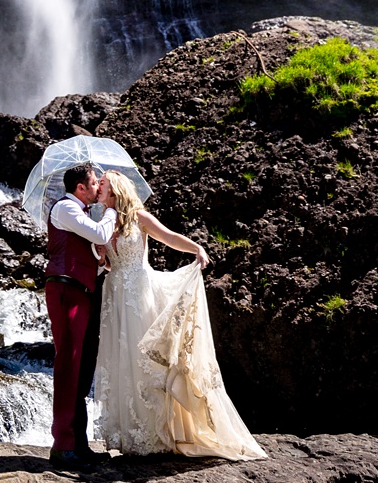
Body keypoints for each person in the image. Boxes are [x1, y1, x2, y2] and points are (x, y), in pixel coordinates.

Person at [93, 170, 266, 460]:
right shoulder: (103, 222)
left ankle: (158, 432)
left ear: (116, 189)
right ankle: (131, 433)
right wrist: (101, 255)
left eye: (103, 184)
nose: (98, 187)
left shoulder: (138, 216)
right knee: (121, 361)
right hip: (116, 293)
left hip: (138, 291)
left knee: (145, 360)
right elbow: (108, 265)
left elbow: (169, 237)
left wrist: (196, 248)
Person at [44, 163, 117, 467]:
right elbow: (100, 232)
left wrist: (100, 258)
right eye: (94, 183)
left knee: (83, 367)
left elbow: (93, 254)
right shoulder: (65, 209)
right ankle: (63, 445)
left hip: (82, 291)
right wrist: (111, 208)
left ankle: (79, 443)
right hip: (65, 290)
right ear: (81, 188)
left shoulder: (81, 214)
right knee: (69, 364)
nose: (99, 188)